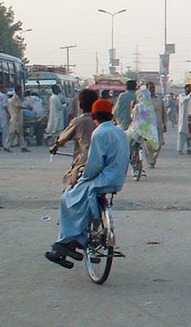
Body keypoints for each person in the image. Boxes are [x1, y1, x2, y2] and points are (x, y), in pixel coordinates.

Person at [45, 96, 130, 269]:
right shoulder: (120, 131)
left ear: (94, 116)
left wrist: (83, 179)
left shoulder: (99, 133)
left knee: (69, 197)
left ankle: (69, 240)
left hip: (103, 178)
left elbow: (95, 164)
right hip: (117, 178)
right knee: (83, 200)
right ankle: (77, 239)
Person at [51, 90, 100, 187]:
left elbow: (62, 138)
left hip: (84, 161)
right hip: (102, 160)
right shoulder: (101, 121)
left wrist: (55, 146)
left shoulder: (78, 121)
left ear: (80, 106)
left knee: (69, 181)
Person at [128, 86, 161, 169]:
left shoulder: (137, 106)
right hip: (149, 131)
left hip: (137, 129)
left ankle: (132, 157)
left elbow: (133, 117)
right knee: (148, 145)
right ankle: (150, 161)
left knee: (131, 142)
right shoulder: (150, 107)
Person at [4, 86, 30, 153]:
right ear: (18, 90)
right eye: (21, 90)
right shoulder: (15, 98)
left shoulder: (15, 98)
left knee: (20, 134)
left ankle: (23, 147)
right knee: (12, 133)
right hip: (15, 118)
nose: (21, 92)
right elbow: (18, 105)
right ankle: (6, 146)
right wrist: (27, 107)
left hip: (17, 118)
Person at [177, 83, 191, 155]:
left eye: (190, 89)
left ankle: (189, 149)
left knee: (190, 134)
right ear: (185, 89)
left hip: (189, 116)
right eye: (188, 88)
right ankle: (179, 149)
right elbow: (184, 100)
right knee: (182, 134)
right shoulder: (181, 96)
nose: (189, 90)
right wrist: (190, 95)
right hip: (183, 118)